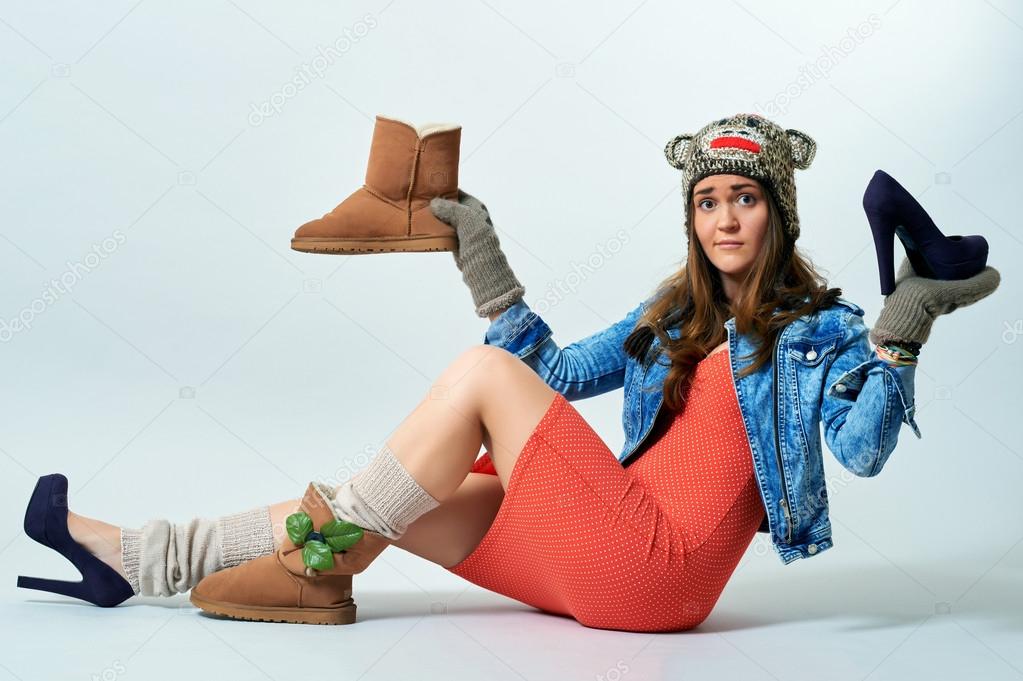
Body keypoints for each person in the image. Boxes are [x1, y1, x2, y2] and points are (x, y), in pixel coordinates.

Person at [18, 112, 999, 632]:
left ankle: (324, 567)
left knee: (470, 395)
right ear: (692, 219)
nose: (727, 218)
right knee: (403, 495)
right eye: (709, 201)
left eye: (746, 198)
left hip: (657, 577)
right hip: (600, 544)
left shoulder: (815, 329)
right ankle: (141, 560)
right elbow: (557, 373)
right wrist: (476, 248)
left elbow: (861, 451)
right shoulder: (672, 318)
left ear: (778, 213)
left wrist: (907, 316)